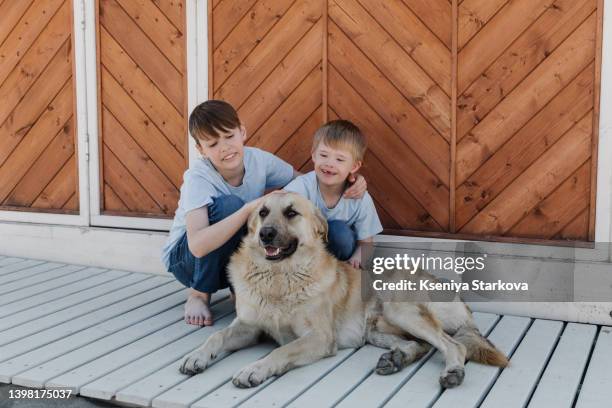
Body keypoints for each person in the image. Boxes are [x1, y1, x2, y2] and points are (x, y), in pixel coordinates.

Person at [162, 101, 366, 326]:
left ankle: (244, 290)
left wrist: (349, 180)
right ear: (201, 149)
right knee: (230, 206)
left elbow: (306, 183)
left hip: (230, 256)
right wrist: (248, 208)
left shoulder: (258, 160)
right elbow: (198, 245)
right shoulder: (198, 177)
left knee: (339, 236)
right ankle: (199, 295)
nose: (225, 148)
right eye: (212, 144)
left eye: (229, 136)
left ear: (242, 131)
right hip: (186, 261)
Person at [284, 120, 382, 269]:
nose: (330, 163)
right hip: (302, 253)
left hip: (339, 254)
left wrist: (357, 258)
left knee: (339, 231)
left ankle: (332, 274)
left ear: (354, 166)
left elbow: (366, 243)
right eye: (323, 155)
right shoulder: (301, 187)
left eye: (340, 159)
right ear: (314, 156)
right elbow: (279, 214)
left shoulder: (360, 198)